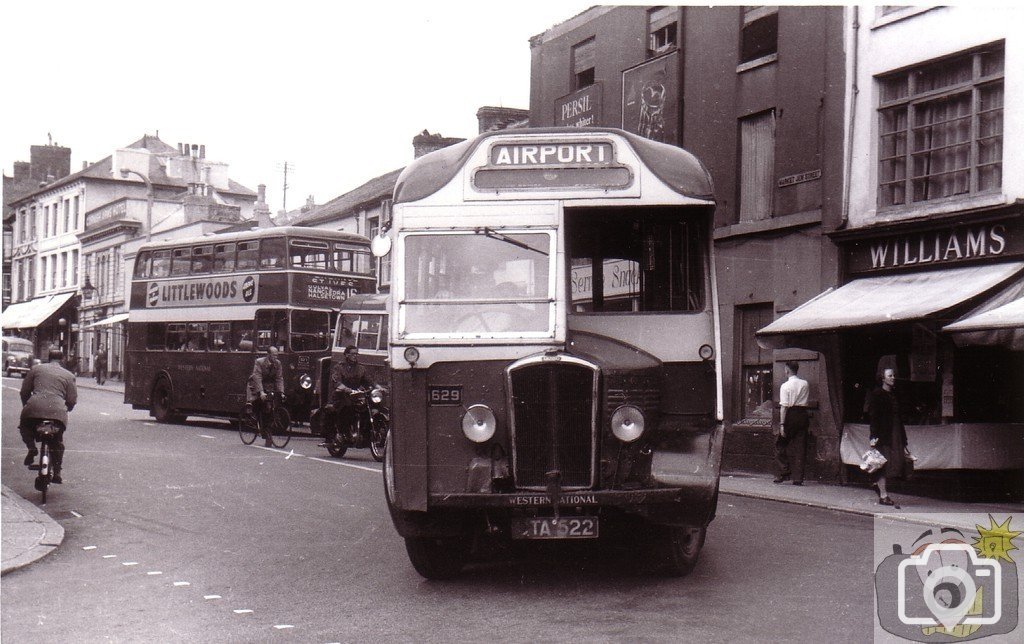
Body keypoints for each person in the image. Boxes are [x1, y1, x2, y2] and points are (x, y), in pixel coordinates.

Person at [20, 347, 78, 484]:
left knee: (24, 425)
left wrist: (27, 406)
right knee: (57, 440)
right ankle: (57, 471)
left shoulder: (36, 369)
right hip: (57, 412)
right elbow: (71, 400)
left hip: (34, 407)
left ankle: (31, 447)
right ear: (62, 359)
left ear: (48, 358)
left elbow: (24, 392)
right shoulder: (69, 375)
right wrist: (66, 409)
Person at [867, 367, 908, 507]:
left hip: (895, 433)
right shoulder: (877, 394)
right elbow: (874, 417)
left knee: (891, 463)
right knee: (882, 464)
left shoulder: (893, 394)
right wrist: (873, 436)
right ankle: (883, 495)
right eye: (890, 376)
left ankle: (877, 485)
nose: (893, 378)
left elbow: (898, 418)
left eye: (893, 375)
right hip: (884, 434)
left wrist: (904, 438)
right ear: (883, 379)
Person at [322, 345, 373, 445]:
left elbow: (369, 381)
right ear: (346, 355)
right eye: (352, 354)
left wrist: (378, 387)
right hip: (341, 396)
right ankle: (343, 432)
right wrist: (346, 389)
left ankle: (365, 434)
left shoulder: (361, 368)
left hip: (357, 395)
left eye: (356, 354)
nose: (355, 356)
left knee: (369, 407)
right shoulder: (339, 367)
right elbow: (336, 382)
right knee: (347, 407)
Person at [774, 361, 810, 486]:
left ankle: (784, 471)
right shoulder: (805, 384)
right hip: (803, 415)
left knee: (780, 444)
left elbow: (784, 407)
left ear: (787, 370)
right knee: (801, 447)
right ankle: (798, 479)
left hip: (791, 415)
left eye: (785, 369)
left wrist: (782, 425)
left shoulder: (785, 386)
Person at [246, 346, 285, 447]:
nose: (276, 357)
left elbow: (279, 378)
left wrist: (281, 392)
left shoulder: (278, 364)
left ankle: (267, 432)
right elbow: (257, 377)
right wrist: (261, 392)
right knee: (258, 402)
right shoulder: (259, 362)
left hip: (269, 386)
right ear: (268, 355)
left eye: (277, 355)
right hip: (255, 385)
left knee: (269, 408)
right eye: (274, 355)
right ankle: (253, 415)